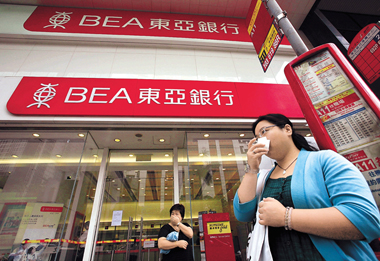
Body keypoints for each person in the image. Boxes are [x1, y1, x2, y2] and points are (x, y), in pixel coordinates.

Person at [234, 113, 380, 260]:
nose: (260, 140)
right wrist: (252, 169)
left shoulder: (325, 160)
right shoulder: (263, 177)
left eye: (264, 131)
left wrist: (286, 217)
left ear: (287, 129)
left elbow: (365, 219)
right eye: (257, 137)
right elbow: (243, 214)